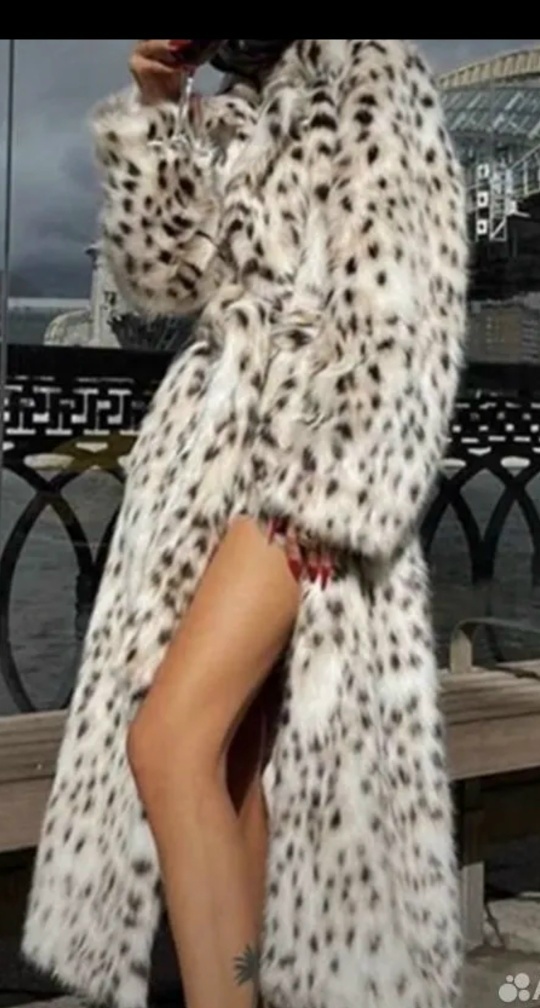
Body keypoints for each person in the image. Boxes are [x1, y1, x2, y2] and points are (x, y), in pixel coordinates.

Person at [22, 39, 468, 1008]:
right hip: (209, 467)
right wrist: (156, 109)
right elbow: (163, 279)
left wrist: (335, 487)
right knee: (232, 762)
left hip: (309, 463)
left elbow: (412, 305)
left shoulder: (370, 69)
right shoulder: (232, 106)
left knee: (169, 742)